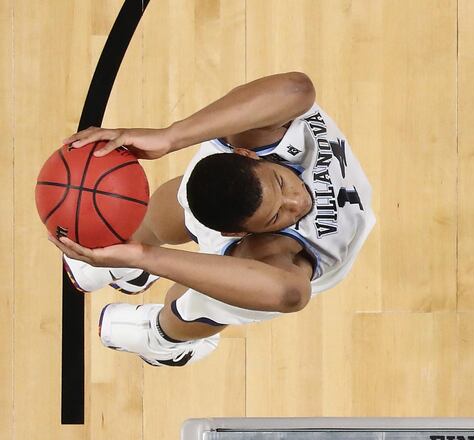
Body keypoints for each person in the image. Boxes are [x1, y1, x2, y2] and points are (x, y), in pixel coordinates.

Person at [50, 72, 375, 366]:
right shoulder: (257, 214)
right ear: (235, 233)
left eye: (282, 184)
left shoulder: (261, 136)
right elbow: (289, 288)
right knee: (178, 205)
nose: (298, 200)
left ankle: (164, 339)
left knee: (197, 302)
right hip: (255, 220)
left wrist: (170, 137)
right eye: (280, 211)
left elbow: (297, 88)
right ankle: (128, 258)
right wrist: (140, 252)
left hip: (283, 244)